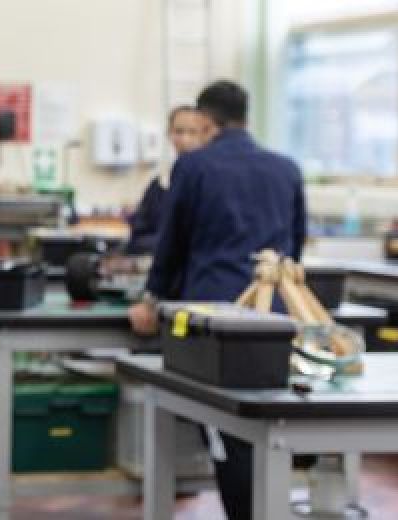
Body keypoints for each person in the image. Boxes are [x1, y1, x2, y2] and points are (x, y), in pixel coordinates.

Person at [129, 80, 307, 520]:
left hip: (213, 319)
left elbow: (173, 244)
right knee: (265, 424)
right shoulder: (286, 168)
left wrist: (152, 299)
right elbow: (295, 248)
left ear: (206, 122)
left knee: (226, 430)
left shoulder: (195, 167)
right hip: (274, 316)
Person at [124, 106, 217, 255]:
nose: (185, 139)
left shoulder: (216, 183)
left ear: (206, 135)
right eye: (179, 132)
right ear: (169, 134)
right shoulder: (160, 184)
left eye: (193, 132)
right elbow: (138, 239)